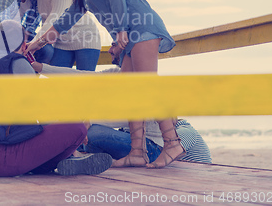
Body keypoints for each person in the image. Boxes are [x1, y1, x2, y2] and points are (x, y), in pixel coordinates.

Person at [27, 0, 181, 169]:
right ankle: (137, 151)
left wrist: (119, 28)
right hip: (130, 33)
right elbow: (65, 21)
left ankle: (172, 142)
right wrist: (35, 45)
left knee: (146, 87)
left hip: (141, 26)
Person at [0, 20, 113, 177]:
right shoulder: (16, 62)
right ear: (24, 45)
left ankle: (67, 161)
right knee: (76, 127)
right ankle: (68, 158)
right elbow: (44, 107)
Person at [36, 43, 211, 165]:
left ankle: (67, 155)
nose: (110, 50)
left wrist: (89, 120)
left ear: (128, 49)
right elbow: (79, 75)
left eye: (114, 45)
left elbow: (129, 117)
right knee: (86, 135)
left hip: (151, 148)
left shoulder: (146, 81)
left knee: (91, 132)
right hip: (136, 144)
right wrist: (39, 67)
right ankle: (81, 158)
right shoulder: (115, 74)